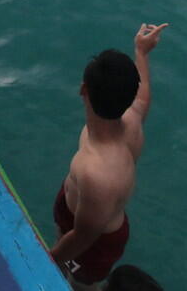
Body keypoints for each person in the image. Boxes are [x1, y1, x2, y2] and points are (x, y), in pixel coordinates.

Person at [50, 24, 169, 289]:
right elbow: (144, 92)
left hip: (93, 239)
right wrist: (141, 51)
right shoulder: (133, 118)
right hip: (85, 214)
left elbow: (82, 238)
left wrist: (48, 260)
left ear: (83, 90)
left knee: (79, 281)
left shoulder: (96, 173)